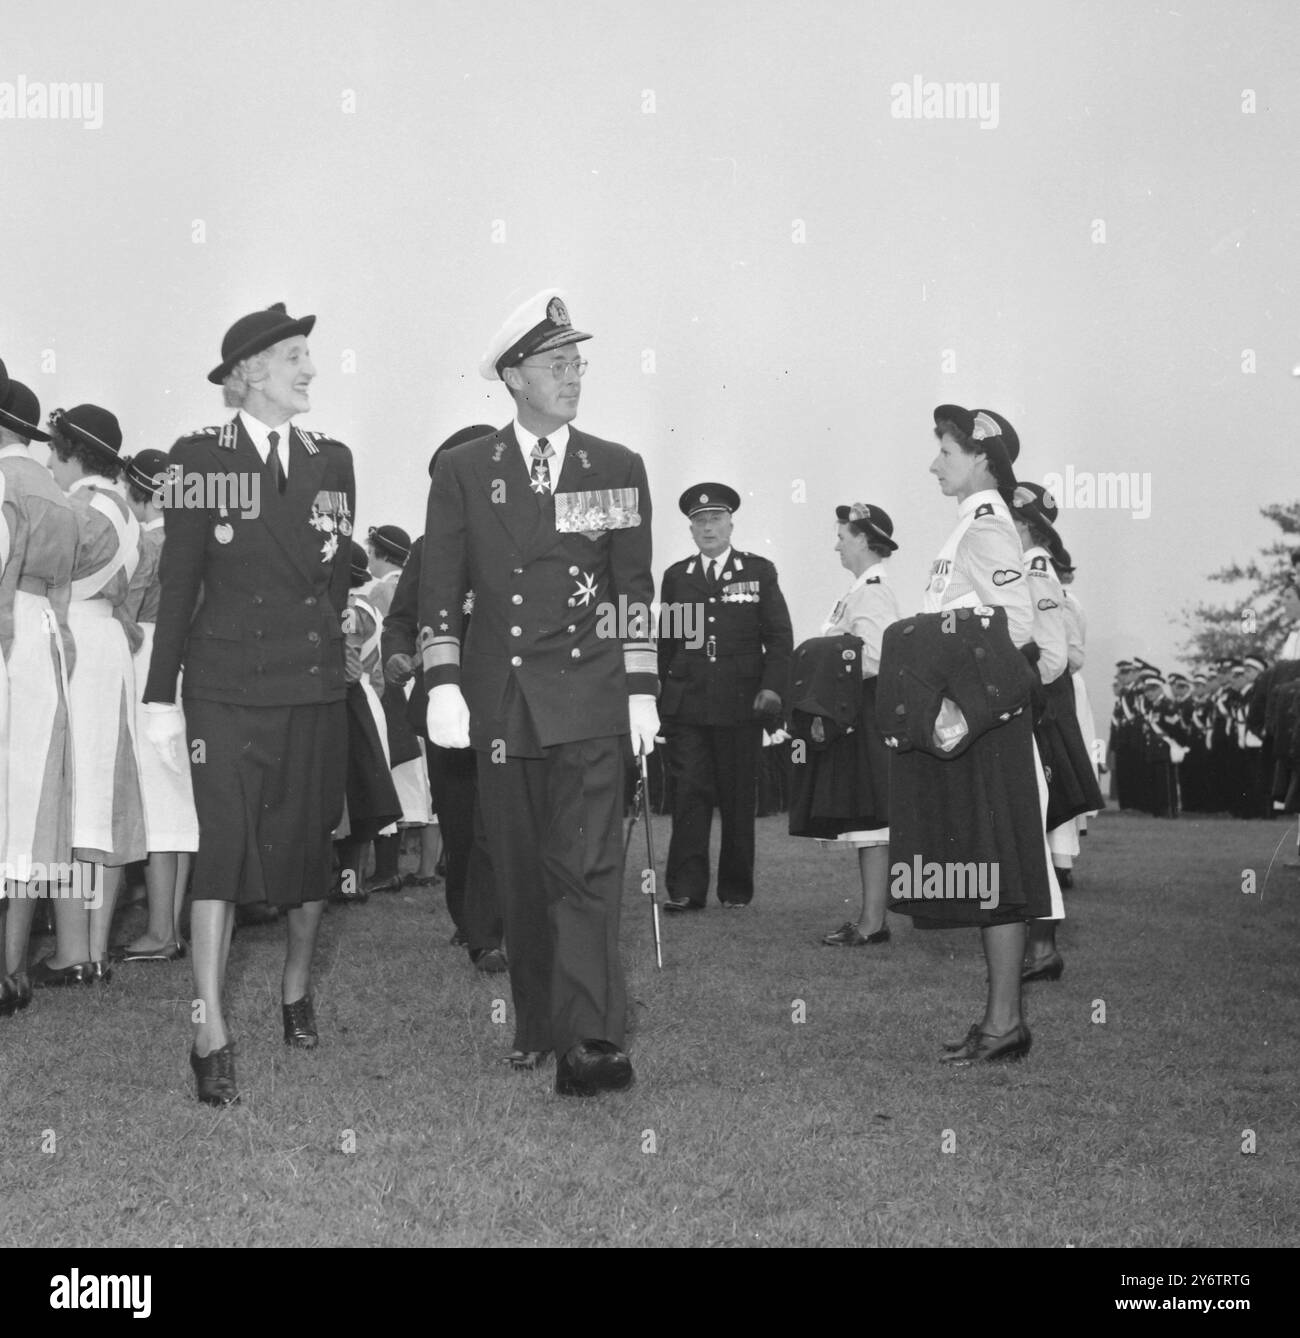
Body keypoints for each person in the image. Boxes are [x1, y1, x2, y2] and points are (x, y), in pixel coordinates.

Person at [420, 290, 657, 1095]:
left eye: (579, 362)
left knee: (586, 869)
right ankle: (538, 1022)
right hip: (503, 704)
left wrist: (642, 690)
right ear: (515, 377)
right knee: (520, 872)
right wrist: (444, 681)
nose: (575, 375)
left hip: (589, 698)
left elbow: (631, 586)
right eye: (558, 364)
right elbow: (441, 588)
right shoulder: (462, 471)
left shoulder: (616, 467)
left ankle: (591, 1040)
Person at [143, 302, 355, 1106]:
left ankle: (296, 988)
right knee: (224, 849)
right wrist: (161, 700)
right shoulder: (201, 458)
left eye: (308, 355)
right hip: (226, 688)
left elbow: (333, 577)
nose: (309, 370)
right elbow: (179, 583)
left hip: (309, 684)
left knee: (306, 848)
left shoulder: (333, 459)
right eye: (295, 356)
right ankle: (209, 1028)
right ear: (249, 373)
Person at [879, 405, 1062, 1064]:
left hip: (985, 726)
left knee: (999, 869)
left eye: (945, 452)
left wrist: (960, 703)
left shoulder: (986, 528)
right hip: (973, 720)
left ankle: (1005, 1024)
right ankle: (1001, 1022)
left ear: (982, 459)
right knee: (989, 869)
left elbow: (1016, 628)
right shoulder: (967, 528)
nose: (935, 463)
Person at [383, 427, 506, 971]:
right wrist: (396, 654)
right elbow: (401, 620)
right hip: (444, 705)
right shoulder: (427, 550)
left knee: (501, 818)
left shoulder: (520, 538)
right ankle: (473, 923)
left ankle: (494, 932)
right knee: (458, 819)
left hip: (511, 704)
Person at [36, 405, 148, 987]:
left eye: (53, 451)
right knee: (103, 801)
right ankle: (94, 949)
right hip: (108, 641)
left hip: (76, 641)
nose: (50, 463)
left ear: (72, 452)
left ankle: (72, 949)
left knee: (72, 795)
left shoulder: (80, 507)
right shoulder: (126, 508)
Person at [657, 484, 792, 911]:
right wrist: (661, 702)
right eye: (699, 521)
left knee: (738, 798)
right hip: (690, 703)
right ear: (691, 529)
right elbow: (670, 642)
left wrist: (773, 688)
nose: (707, 527)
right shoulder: (678, 577)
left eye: (715, 519)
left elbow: (779, 637)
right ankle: (685, 889)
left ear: (731, 523)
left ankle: (735, 890)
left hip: (741, 702)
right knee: (689, 795)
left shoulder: (759, 571)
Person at [787, 503, 899, 946]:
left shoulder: (872, 591)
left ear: (864, 540)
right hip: (851, 713)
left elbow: (875, 655)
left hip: (862, 715)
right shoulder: (857, 591)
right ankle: (872, 918)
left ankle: (873, 923)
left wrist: (827, 674)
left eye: (843, 536)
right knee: (864, 824)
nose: (836, 543)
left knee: (872, 824)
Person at [0, 377, 76, 1016]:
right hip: (45, 636)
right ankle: (14, 965)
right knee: (26, 804)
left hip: (7, 634)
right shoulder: (54, 490)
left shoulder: (3, 485)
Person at [1010, 483, 1104, 981]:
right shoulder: (1031, 565)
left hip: (1042, 701)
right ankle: (1037, 941)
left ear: (1023, 525)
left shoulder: (1036, 566)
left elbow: (1052, 654)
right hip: (1041, 699)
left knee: (1039, 818)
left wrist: (1021, 685)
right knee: (1035, 819)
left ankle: (1043, 945)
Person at [114, 448, 198, 961]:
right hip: (187, 667)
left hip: (149, 663)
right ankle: (171, 925)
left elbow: (125, 613)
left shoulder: (149, 541)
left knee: (159, 805)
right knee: (179, 803)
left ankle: (161, 932)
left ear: (138, 490)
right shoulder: (193, 538)